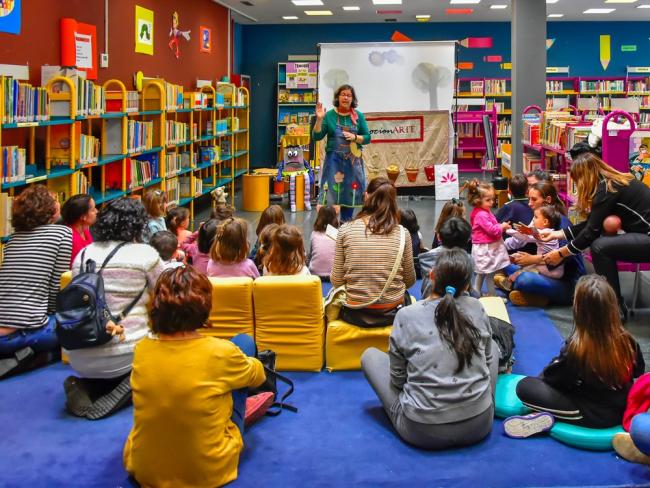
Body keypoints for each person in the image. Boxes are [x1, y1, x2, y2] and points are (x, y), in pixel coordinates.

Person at [123, 266, 265, 488]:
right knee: (244, 343)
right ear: (204, 306)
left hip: (144, 470)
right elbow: (258, 376)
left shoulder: (142, 349)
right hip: (207, 471)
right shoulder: (220, 352)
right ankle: (234, 408)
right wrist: (238, 362)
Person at [361, 249, 498, 449]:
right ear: (467, 285)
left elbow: (398, 378)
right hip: (480, 424)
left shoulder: (407, 315)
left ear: (432, 275)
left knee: (370, 356)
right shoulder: (477, 306)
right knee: (492, 347)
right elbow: (486, 361)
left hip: (421, 431)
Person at [504, 275, 644, 437]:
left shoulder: (578, 349)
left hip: (594, 416)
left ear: (579, 310)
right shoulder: (628, 341)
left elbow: (552, 379)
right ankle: (546, 416)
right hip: (622, 406)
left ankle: (548, 417)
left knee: (525, 386)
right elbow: (638, 373)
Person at [64, 198, 164, 420]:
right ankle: (128, 385)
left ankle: (87, 386)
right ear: (139, 224)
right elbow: (167, 291)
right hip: (127, 351)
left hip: (79, 352)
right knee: (162, 357)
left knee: (102, 366)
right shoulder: (145, 254)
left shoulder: (83, 254)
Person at [539, 152, 650, 320]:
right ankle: (615, 303)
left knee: (599, 247)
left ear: (584, 177)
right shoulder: (614, 183)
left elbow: (590, 233)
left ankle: (614, 306)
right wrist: (556, 234)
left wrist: (561, 253)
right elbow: (592, 224)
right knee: (601, 240)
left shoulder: (606, 190)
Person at [0, 186, 72, 378]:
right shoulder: (62, 235)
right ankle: (34, 357)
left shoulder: (13, 239)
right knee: (75, 326)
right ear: (48, 208)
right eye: (55, 199)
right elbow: (55, 291)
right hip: (22, 332)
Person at [331, 178, 416, 327]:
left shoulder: (345, 230)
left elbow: (337, 281)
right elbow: (409, 281)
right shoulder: (403, 234)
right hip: (392, 312)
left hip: (355, 313)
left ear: (366, 196)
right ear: (393, 201)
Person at [497, 180, 585, 307]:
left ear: (548, 200)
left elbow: (563, 257)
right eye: (529, 199)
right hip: (544, 271)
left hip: (567, 283)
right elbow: (523, 239)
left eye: (533, 200)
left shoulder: (562, 224)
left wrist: (532, 259)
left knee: (524, 280)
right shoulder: (538, 219)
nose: (529, 204)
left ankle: (527, 291)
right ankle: (529, 293)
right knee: (505, 261)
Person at [313, 84, 371, 222]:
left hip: (352, 163)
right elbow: (317, 136)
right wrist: (319, 119)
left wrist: (355, 138)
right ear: (338, 97)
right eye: (343, 94)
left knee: (350, 195)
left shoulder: (359, 116)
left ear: (352, 99)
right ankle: (330, 228)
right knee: (331, 196)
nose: (346, 97)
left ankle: (346, 225)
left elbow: (368, 138)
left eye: (349, 95)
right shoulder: (329, 116)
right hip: (333, 163)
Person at [499, 206, 564, 292]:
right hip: (545, 265)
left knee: (522, 272)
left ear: (545, 222)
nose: (533, 220)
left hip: (549, 269)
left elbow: (525, 238)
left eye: (536, 217)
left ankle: (509, 284)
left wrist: (508, 230)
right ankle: (510, 282)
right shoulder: (549, 232)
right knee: (515, 260)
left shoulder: (544, 233)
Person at [466, 180, 511, 297]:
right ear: (477, 200)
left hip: (485, 247)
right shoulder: (481, 215)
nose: (492, 202)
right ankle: (492, 295)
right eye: (488, 200)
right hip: (486, 248)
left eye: (493, 199)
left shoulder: (482, 211)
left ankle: (476, 293)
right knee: (489, 273)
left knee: (482, 273)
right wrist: (502, 226)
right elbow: (492, 230)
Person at [419, 217, 473, 298]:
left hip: (429, 301)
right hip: (461, 304)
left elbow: (425, 288)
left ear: (439, 237)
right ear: (468, 240)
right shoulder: (468, 260)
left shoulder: (428, 258)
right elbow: (468, 288)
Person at [60, 193, 97, 265]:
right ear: (83, 216)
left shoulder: (84, 230)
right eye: (93, 210)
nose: (96, 211)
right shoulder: (72, 240)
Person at [307, 205, 339, 279]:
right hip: (333, 275)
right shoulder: (338, 234)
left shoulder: (314, 234)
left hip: (315, 274)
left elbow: (311, 253)